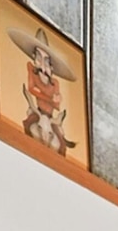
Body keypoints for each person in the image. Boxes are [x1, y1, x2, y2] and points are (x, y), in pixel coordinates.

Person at [7, 26, 76, 156]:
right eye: (39, 58)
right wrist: (50, 100)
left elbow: (57, 105)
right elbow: (31, 89)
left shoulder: (54, 82)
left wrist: (55, 101)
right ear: (34, 58)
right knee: (32, 129)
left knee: (58, 138)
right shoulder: (31, 71)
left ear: (51, 66)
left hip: (50, 116)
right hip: (36, 110)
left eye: (46, 61)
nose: (42, 66)